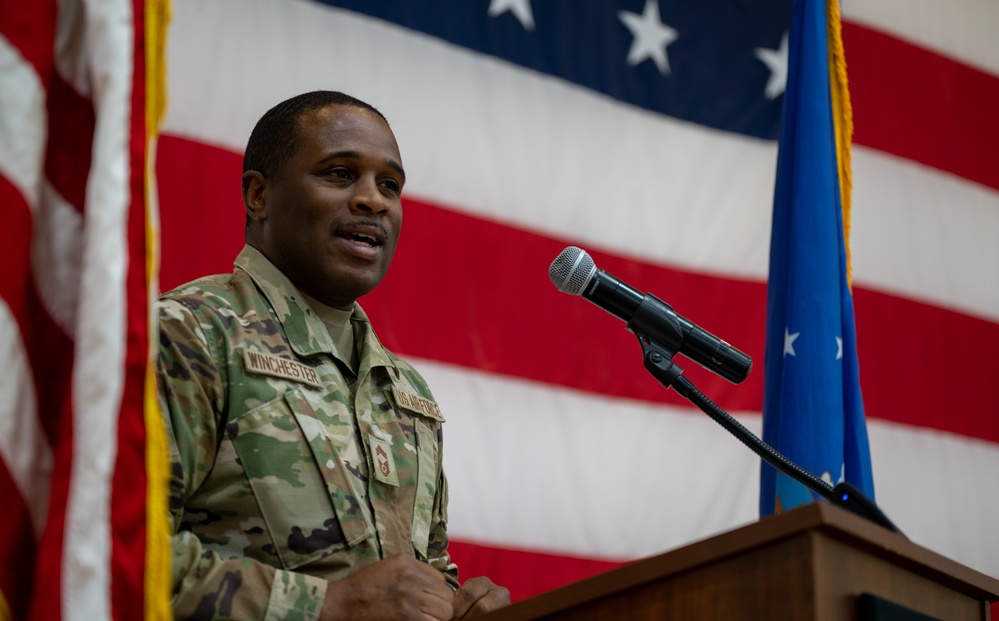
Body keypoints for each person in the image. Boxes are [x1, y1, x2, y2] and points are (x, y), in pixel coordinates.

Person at [157, 90, 510, 620]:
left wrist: (457, 604)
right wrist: (328, 607)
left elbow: (417, 578)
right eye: (340, 174)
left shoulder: (407, 391)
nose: (374, 200)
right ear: (259, 195)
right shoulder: (191, 335)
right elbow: (111, 549)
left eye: (389, 185)